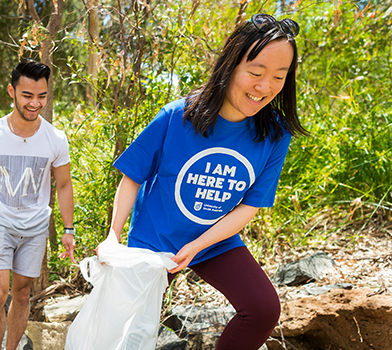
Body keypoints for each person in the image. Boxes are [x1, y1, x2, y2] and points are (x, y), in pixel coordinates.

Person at [106, 14, 308, 350]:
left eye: (278, 77)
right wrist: (113, 237)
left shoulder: (274, 134)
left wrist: (198, 246)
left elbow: (251, 205)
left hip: (214, 240)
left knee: (262, 309)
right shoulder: (176, 117)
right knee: (127, 329)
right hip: (156, 239)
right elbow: (132, 177)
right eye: (256, 73)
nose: (265, 86)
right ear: (230, 65)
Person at [0, 58, 76, 350]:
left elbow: (64, 184)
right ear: (11, 91)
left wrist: (69, 228)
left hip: (34, 226)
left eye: (42, 96)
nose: (35, 103)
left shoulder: (56, 138)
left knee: (21, 294)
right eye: (28, 95)